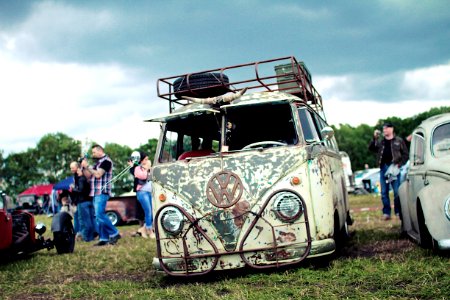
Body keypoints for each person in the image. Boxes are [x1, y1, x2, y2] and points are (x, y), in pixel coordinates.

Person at [81, 144, 121, 246]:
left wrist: (87, 166)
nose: (92, 154)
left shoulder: (106, 162)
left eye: (94, 152)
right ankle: (104, 238)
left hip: (102, 191)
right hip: (95, 192)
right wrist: (83, 167)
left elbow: (98, 174)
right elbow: (89, 175)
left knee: (100, 214)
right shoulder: (98, 163)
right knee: (98, 217)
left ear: (100, 151)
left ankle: (114, 233)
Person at [369, 122, 409, 220]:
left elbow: (405, 154)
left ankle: (398, 211)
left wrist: (399, 164)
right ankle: (386, 213)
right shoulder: (381, 142)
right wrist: (374, 138)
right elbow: (371, 148)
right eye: (383, 129)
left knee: (396, 191)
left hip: (394, 168)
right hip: (383, 168)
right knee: (383, 192)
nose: (384, 130)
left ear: (392, 129)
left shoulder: (399, 141)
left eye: (386, 128)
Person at [128, 151, 155, 238]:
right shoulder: (137, 168)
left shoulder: (147, 168)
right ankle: (150, 232)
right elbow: (143, 176)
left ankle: (143, 230)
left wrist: (148, 168)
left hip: (149, 192)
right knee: (148, 212)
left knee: (151, 212)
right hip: (142, 193)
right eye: (146, 159)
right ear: (141, 160)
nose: (147, 161)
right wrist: (147, 169)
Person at [69, 161, 96, 242]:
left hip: (83, 202)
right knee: (90, 220)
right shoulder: (85, 178)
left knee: (84, 221)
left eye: (72, 168)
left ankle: (86, 238)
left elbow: (80, 190)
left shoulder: (81, 179)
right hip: (89, 200)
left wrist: (72, 189)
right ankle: (91, 237)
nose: (71, 170)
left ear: (78, 169)